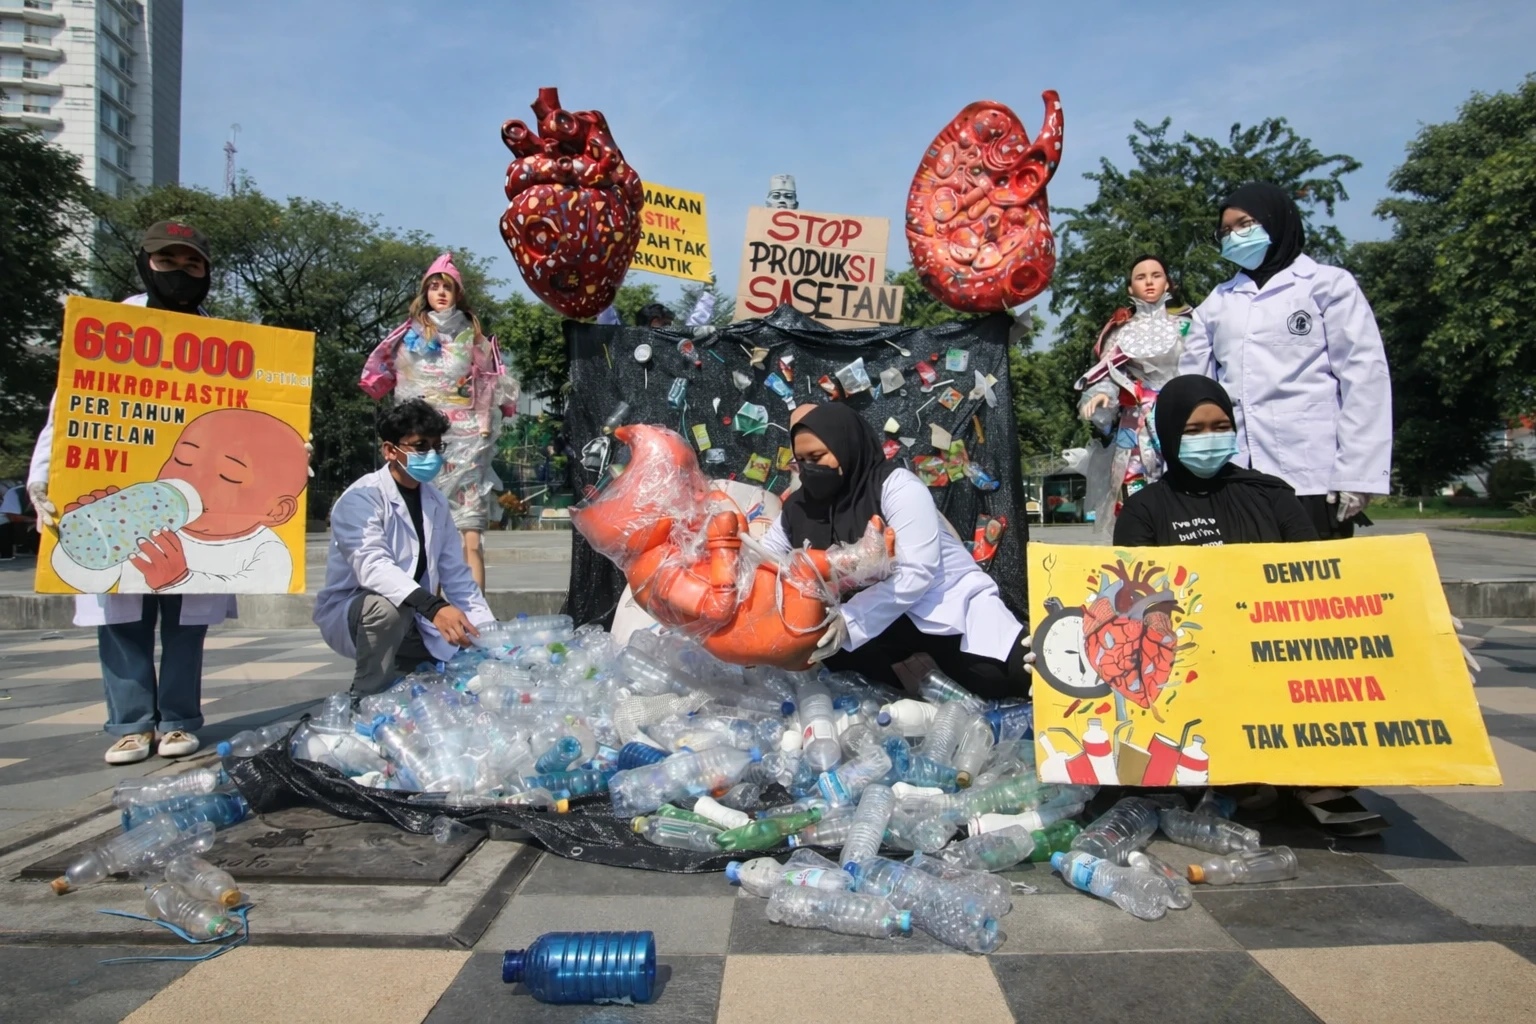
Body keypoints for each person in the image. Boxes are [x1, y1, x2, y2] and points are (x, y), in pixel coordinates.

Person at [27, 221, 233, 764]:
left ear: (206, 273)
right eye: (168, 261)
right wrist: (42, 477)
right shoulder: (108, 331)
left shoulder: (228, 344)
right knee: (122, 612)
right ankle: (131, 723)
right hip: (115, 494)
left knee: (186, 615)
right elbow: (67, 410)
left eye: (192, 263)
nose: (180, 272)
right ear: (145, 264)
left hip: (192, 500)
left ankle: (179, 719)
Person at [759, 402, 1029, 699]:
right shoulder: (798, 508)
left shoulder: (896, 486)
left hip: (944, 608)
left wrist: (850, 620)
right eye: (801, 460)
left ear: (845, 446)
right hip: (876, 628)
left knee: (1005, 679)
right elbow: (762, 559)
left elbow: (916, 572)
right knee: (861, 685)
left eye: (817, 457)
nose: (809, 468)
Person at [1181, 183, 1391, 539]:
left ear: (1275, 220)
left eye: (1244, 224)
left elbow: (1365, 379)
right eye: (1225, 231)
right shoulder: (1216, 303)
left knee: (1312, 571)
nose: (1234, 236)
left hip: (1314, 473)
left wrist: (1358, 471)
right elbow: (1193, 389)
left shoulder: (1327, 286)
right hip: (1237, 476)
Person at [313, 399, 495, 702]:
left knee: (453, 668)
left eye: (436, 447)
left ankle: (405, 670)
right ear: (390, 450)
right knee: (386, 609)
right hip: (360, 613)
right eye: (420, 446)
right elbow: (373, 567)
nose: (432, 456)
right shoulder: (362, 498)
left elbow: (457, 577)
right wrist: (435, 608)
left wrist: (490, 635)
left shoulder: (435, 501)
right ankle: (364, 697)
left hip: (415, 614)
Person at [358, 254, 517, 590]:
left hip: (469, 442)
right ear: (425, 293)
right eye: (434, 287)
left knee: (470, 534)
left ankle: (474, 613)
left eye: (447, 287)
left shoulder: (472, 336)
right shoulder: (409, 336)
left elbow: (487, 383)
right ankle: (432, 610)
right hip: (423, 445)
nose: (441, 293)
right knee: (425, 532)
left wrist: (484, 427)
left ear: (458, 292)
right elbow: (404, 387)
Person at [48, 409, 308, 593]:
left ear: (277, 510)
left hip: (192, 617)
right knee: (124, 643)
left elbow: (260, 590)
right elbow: (90, 582)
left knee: (185, 645)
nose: (193, 476)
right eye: (183, 459)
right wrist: (85, 537)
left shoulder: (266, 549)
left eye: (228, 475)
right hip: (127, 610)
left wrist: (179, 581)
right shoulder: (144, 520)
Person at [1113, 375, 1318, 547]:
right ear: (1169, 434)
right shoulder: (1142, 511)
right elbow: (1136, 579)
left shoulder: (1272, 494)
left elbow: (1313, 566)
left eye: (1221, 427)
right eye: (1193, 430)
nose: (1209, 437)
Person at [1075, 254, 1195, 533]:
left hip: (1181, 410)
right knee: (1134, 476)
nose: (1149, 282)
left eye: (1156, 275)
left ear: (1168, 283)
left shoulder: (1189, 324)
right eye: (1141, 277)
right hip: (1137, 416)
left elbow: (1204, 366)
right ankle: (1139, 532)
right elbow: (1107, 373)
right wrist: (1102, 394)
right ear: (1131, 287)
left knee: (1185, 470)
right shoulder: (1120, 331)